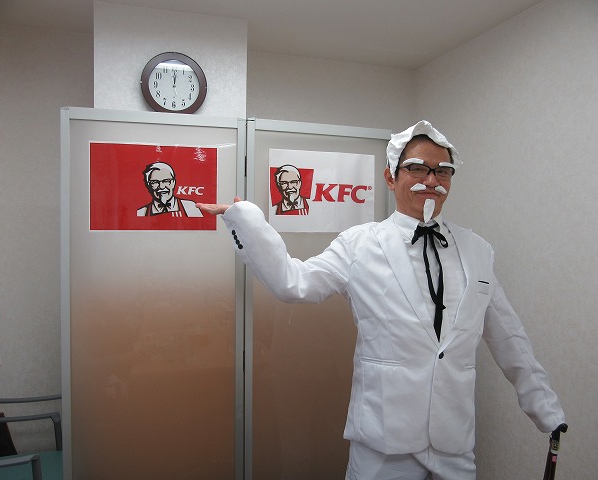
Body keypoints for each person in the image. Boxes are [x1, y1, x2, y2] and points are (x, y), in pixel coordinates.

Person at [196, 120, 566, 479]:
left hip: (454, 444)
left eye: (443, 171)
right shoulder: (359, 244)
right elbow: (294, 283)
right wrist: (247, 222)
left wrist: (546, 410)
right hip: (383, 444)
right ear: (390, 177)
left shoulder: (477, 250)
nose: (431, 180)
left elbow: (509, 338)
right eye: (417, 168)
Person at [136, 161, 202, 217]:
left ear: (173, 183)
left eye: (166, 181)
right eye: (155, 182)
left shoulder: (190, 207)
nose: (161, 187)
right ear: (148, 185)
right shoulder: (141, 213)